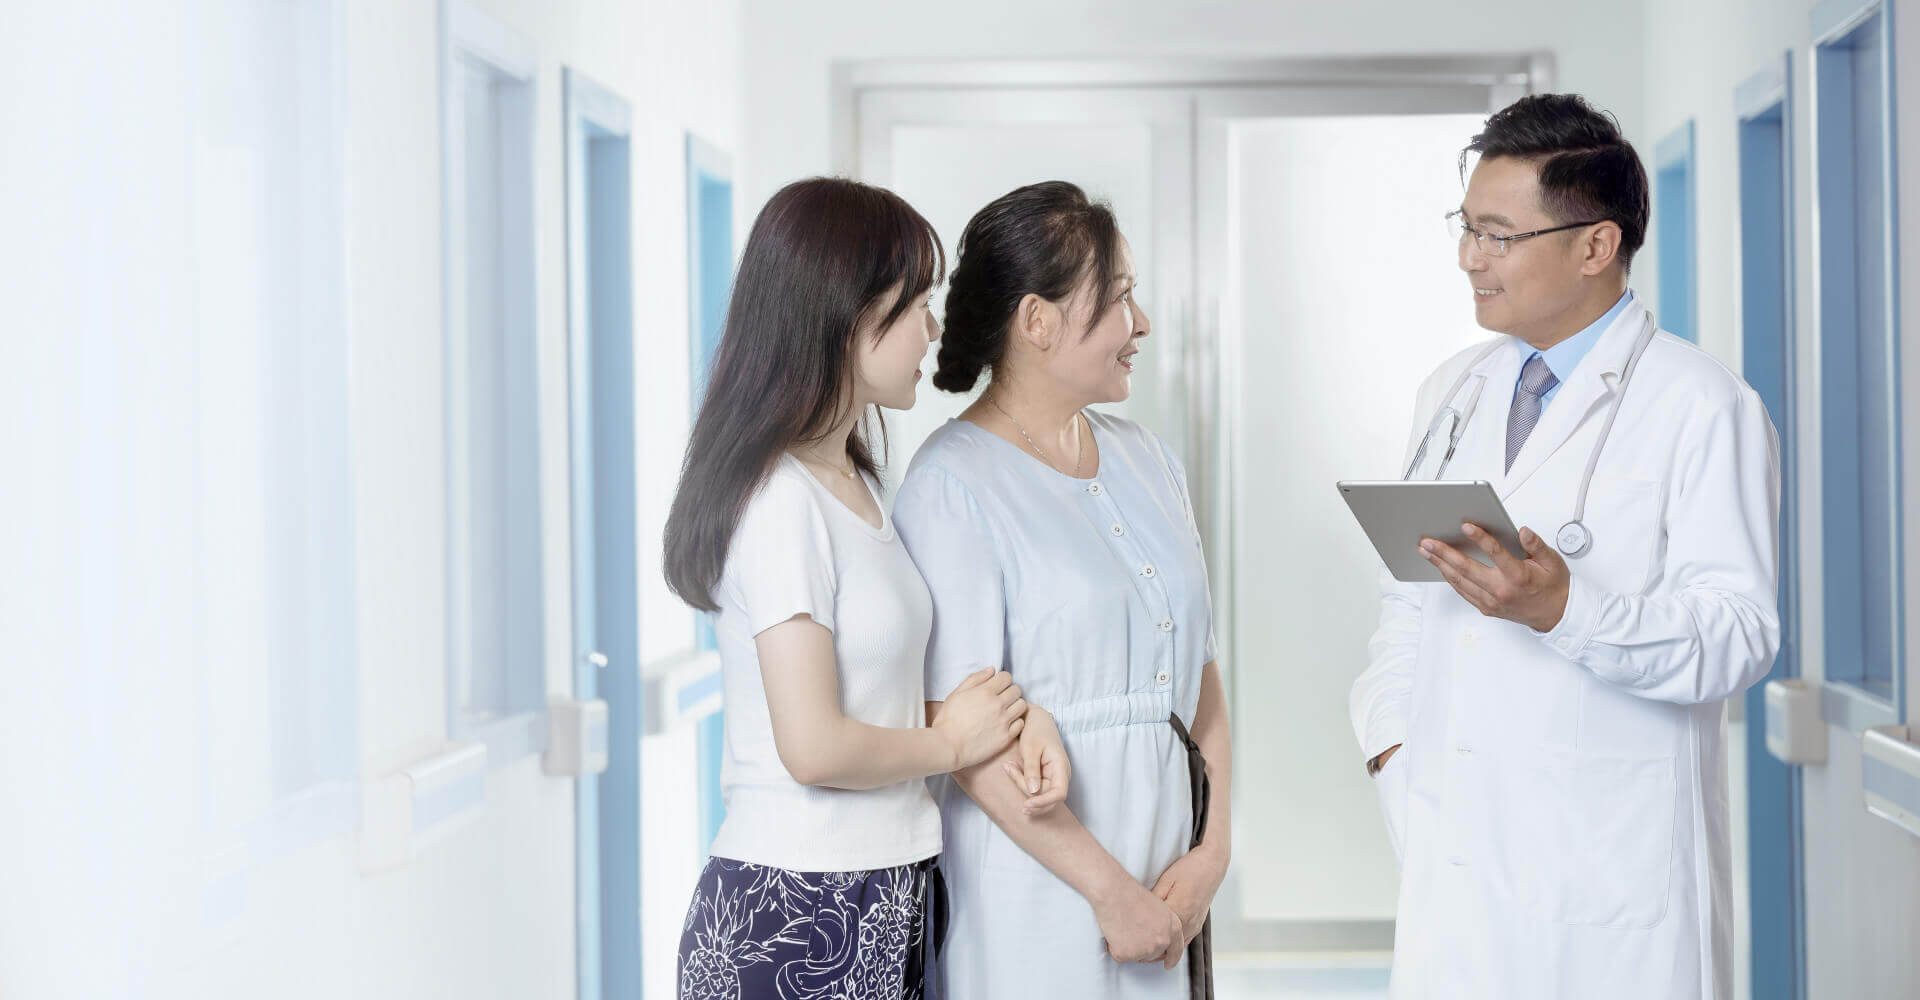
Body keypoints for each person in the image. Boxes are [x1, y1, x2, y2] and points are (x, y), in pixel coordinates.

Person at [1351, 94, 1781, 999]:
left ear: (1596, 245)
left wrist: (1566, 610)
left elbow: (1741, 634)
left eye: (1498, 236)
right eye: (1467, 228)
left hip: (1611, 880)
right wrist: (1391, 745)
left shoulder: (1701, 405)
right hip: (1456, 866)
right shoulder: (1452, 391)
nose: (1470, 258)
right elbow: (1409, 602)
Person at [663, 177, 1060, 999]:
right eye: (915, 305)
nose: (932, 330)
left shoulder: (852, 483)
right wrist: (952, 744)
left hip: (885, 891)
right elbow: (814, 747)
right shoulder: (781, 503)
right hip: (797, 905)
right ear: (846, 316)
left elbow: (876, 702)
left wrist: (1008, 719)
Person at [894, 181, 1232, 999]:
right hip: (1034, 891)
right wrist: (1111, 894)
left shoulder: (1149, 460)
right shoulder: (951, 484)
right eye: (1118, 299)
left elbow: (1201, 683)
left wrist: (1212, 855)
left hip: (1167, 880)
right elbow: (965, 734)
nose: (1140, 323)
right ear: (1037, 321)